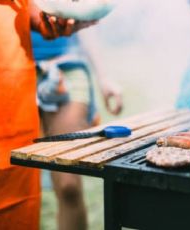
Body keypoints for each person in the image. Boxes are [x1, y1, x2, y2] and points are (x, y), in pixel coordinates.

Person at [0, 1, 94, 229]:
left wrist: (51, 19)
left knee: (64, 184)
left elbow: (25, 10)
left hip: (37, 73)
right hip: (12, 78)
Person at [32, 27, 123, 229]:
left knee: (68, 186)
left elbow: (84, 16)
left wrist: (104, 77)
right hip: (10, 70)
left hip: (66, 66)